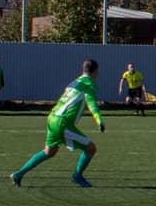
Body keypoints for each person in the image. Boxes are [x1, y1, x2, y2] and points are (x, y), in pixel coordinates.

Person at [12, 59, 105, 188]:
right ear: (96, 71)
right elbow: (91, 103)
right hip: (63, 122)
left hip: (52, 117)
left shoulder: (76, 81)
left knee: (49, 151)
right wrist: (99, 120)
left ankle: (18, 174)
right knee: (90, 148)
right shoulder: (89, 84)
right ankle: (77, 176)